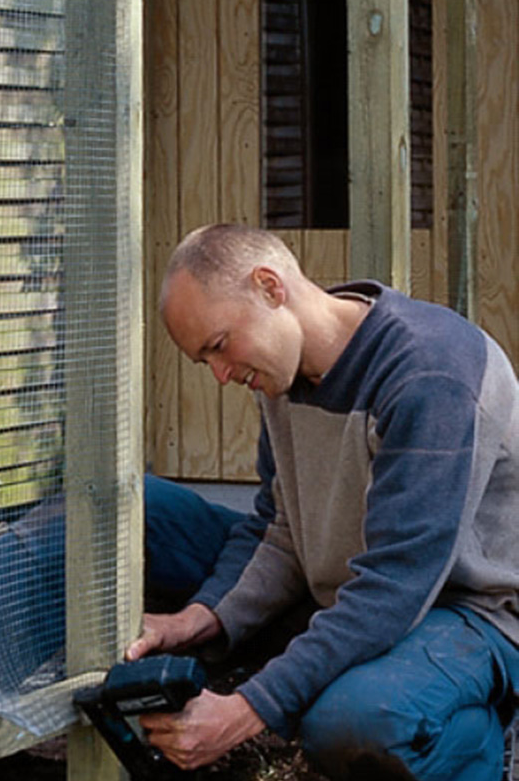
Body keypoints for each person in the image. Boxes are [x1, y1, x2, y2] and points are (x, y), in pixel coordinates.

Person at [125, 224, 519, 780]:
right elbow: (280, 527)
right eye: (203, 361)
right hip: (348, 592)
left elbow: (394, 586)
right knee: (135, 510)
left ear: (270, 286)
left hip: (470, 615)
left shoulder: (431, 372)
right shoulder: (283, 377)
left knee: (353, 720)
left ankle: (483, 743)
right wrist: (198, 620)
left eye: (218, 346)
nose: (219, 375)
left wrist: (246, 710)